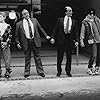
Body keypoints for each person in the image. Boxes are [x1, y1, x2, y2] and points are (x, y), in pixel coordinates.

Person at [15, 9, 51, 78]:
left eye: (27, 13)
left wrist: (46, 36)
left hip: (35, 41)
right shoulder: (19, 24)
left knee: (38, 57)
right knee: (27, 58)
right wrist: (17, 43)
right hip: (26, 42)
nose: (26, 15)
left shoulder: (34, 20)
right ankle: (26, 72)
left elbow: (41, 29)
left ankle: (40, 72)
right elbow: (16, 35)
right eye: (24, 14)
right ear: (22, 16)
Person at [50, 6, 79, 77]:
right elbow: (55, 29)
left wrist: (77, 41)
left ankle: (68, 71)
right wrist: (52, 38)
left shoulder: (74, 21)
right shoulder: (60, 20)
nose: (71, 12)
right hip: (61, 40)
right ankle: (59, 71)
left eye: (71, 11)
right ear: (66, 12)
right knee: (60, 57)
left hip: (69, 40)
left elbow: (76, 32)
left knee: (69, 57)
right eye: (70, 11)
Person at [80, 8, 100, 75]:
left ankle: (97, 67)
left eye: (93, 13)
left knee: (99, 55)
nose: (91, 15)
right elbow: (82, 32)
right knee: (94, 54)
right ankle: (90, 68)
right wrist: (81, 40)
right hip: (92, 40)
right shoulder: (85, 22)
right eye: (90, 13)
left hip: (99, 39)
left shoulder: (97, 20)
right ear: (87, 14)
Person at [0, 12, 12, 78]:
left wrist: (6, 43)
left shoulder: (8, 26)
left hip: (6, 45)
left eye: (0, 16)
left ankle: (8, 71)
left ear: (4, 17)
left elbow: (10, 36)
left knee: (7, 58)